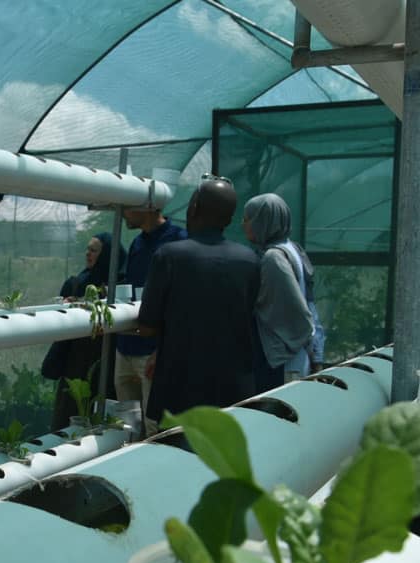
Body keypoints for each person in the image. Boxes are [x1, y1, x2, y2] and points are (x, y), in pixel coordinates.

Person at [137, 176, 260, 429]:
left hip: (179, 394)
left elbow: (147, 327)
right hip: (234, 392)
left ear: (193, 209)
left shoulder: (170, 256)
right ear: (229, 218)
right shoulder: (249, 260)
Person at [114, 206, 186, 436]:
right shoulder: (137, 243)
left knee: (155, 423)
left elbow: (181, 302)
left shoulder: (178, 240)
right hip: (126, 346)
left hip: (152, 350)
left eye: (127, 206)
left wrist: (161, 349)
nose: (123, 212)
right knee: (127, 424)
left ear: (147, 206)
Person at [43, 232, 125, 431]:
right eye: (87, 249)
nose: (88, 254)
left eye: (94, 250)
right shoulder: (78, 282)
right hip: (77, 358)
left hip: (108, 358)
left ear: (107, 255)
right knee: (71, 407)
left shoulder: (121, 285)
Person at [242, 193, 318, 390]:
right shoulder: (293, 249)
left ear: (262, 221)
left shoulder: (273, 258)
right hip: (296, 353)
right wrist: (316, 351)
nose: (243, 224)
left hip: (282, 357)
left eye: (248, 218)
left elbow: (297, 310)